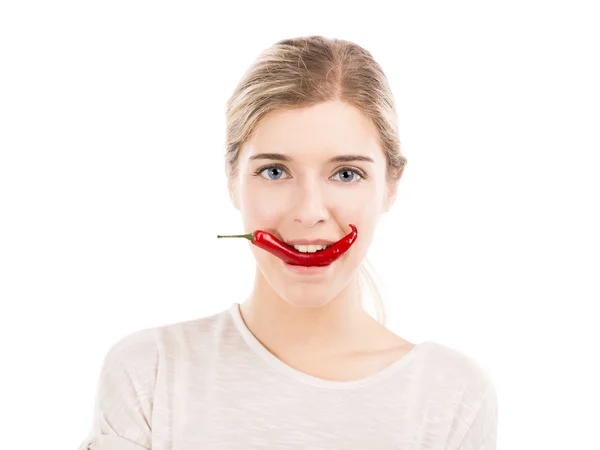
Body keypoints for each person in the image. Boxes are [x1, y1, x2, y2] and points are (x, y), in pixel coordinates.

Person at [78, 35, 497, 450]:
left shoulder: (452, 396)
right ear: (232, 182)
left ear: (390, 187)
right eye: (275, 171)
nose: (309, 211)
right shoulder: (149, 374)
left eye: (346, 173)